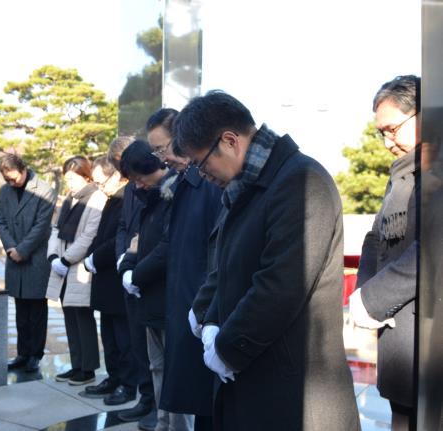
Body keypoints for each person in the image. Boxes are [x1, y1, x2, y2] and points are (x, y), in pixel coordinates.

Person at [174, 90, 360, 430]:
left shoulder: (302, 181)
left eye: (201, 163)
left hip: (294, 388)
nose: (202, 174)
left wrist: (228, 348)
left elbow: (281, 284)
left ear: (229, 141)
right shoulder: (245, 187)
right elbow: (226, 266)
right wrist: (208, 316)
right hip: (257, 379)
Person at [349, 75, 420, 430]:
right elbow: (375, 238)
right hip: (398, 339)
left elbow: (431, 248)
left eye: (393, 130)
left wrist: (375, 299)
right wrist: (363, 293)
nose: (388, 142)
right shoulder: (401, 175)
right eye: (382, 133)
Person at [147, 108, 223, 431]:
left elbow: (216, 256)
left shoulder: (210, 184)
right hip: (185, 308)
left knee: (206, 407)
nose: (162, 158)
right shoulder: (182, 184)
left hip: (203, 313)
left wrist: (206, 311)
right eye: (156, 152)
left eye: (162, 148)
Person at [118, 140, 178, 431]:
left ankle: (169, 423)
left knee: (172, 371)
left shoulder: (175, 192)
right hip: (150, 298)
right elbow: (138, 241)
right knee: (156, 366)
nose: (137, 185)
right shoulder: (152, 196)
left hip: (166, 297)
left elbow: (167, 247)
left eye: (139, 178)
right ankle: (161, 421)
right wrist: (127, 265)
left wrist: (136, 275)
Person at [45, 156, 107, 386]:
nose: (69, 183)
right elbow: (55, 229)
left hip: (80, 267)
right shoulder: (69, 198)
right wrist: (53, 257)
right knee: (69, 317)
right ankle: (76, 364)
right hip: (62, 265)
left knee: (83, 317)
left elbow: (90, 235)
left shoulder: (97, 198)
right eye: (67, 178)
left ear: (86, 176)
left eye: (73, 178)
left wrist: (66, 259)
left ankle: (87, 369)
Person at [82, 149, 137, 406]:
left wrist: (96, 257)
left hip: (116, 275)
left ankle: (128, 383)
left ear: (116, 175)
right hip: (104, 277)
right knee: (110, 336)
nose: (99, 187)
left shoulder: (127, 196)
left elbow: (120, 237)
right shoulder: (111, 197)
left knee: (124, 338)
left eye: (101, 181)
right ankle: (113, 377)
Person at [0, 154, 56, 372]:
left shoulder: (44, 190)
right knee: (20, 310)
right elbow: (1, 222)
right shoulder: (4, 191)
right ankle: (22, 353)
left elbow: (42, 226)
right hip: (14, 256)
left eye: (14, 178)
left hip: (35, 257)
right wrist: (11, 248)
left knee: (36, 310)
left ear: (23, 169)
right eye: (7, 180)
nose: (11, 183)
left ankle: (35, 354)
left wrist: (22, 250)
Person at [113, 142, 156, 426]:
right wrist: (122, 260)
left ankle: (156, 403)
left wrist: (136, 267)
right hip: (128, 270)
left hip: (147, 274)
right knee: (137, 343)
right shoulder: (130, 189)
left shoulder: (157, 188)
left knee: (155, 350)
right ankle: (145, 397)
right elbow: (123, 226)